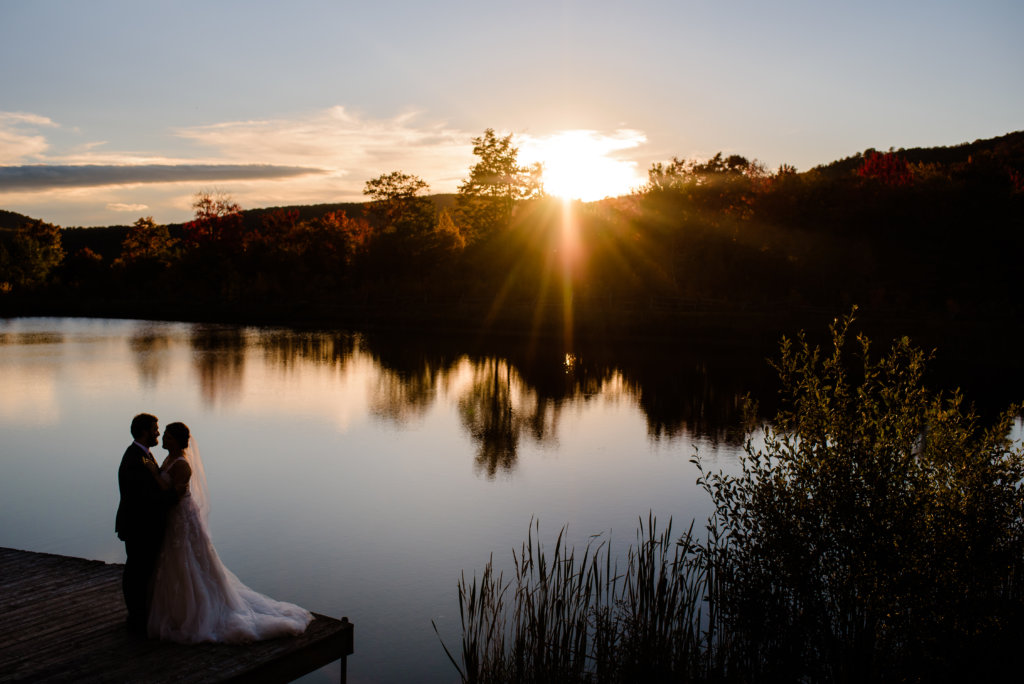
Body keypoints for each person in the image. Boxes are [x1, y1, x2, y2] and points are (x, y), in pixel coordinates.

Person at [147, 421, 313, 643]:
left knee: (188, 561)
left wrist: (154, 475)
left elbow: (174, 495)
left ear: (177, 440)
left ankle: (196, 612)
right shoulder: (168, 459)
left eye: (167, 436)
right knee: (176, 562)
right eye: (164, 435)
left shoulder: (183, 465)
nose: (164, 439)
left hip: (182, 519)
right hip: (173, 520)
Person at [115, 413, 179, 634]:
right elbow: (145, 498)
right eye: (155, 429)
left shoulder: (144, 455)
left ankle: (140, 615)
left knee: (141, 570)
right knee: (136, 571)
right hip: (138, 526)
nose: (158, 434)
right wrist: (175, 497)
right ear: (143, 431)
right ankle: (136, 618)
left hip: (144, 525)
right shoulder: (135, 459)